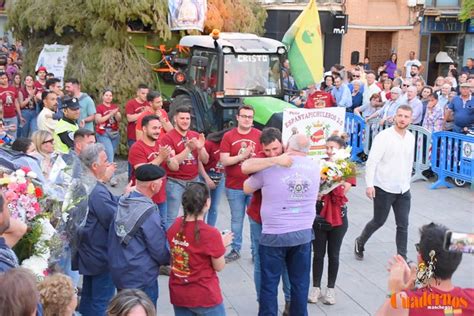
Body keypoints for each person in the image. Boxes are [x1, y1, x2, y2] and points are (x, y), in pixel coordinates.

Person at [243, 134, 320, 316]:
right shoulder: (315, 167)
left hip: (274, 234)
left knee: (269, 283)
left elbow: (247, 187)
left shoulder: (271, 168)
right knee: (300, 283)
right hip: (303, 233)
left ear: (286, 145)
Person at [241, 127, 292, 314]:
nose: (272, 152)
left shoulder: (290, 154)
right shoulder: (263, 158)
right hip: (259, 218)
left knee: (288, 262)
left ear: (283, 144)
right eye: (268, 150)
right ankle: (264, 302)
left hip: (286, 219)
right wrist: (274, 160)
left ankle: (289, 302)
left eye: (276, 149)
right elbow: (245, 167)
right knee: (261, 262)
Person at [355, 105, 415, 261]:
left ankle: (402, 258)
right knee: (379, 221)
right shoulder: (384, 136)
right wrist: (369, 185)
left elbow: (409, 162)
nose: (402, 119)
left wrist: (407, 182)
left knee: (403, 225)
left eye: (406, 116)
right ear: (394, 117)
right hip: (383, 188)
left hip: (403, 190)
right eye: (400, 115)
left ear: (411, 119)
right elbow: (372, 162)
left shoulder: (410, 137)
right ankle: (360, 241)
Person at [376, 223, 474, 315]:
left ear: (420, 258)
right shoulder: (471, 299)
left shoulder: (404, 302)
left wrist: (394, 292)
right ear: (458, 261)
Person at [108, 164, 170, 305]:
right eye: (161, 181)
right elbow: (158, 247)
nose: (162, 184)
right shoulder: (148, 211)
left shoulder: (123, 200)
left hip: (120, 272)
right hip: (140, 276)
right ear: (153, 186)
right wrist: (169, 259)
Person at [167, 182, 233, 315]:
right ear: (207, 203)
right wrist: (221, 244)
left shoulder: (175, 224)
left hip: (179, 293)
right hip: (204, 295)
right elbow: (219, 266)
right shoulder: (210, 233)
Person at [309, 135, 355, 305]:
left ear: (341, 150)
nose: (328, 151)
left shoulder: (347, 166)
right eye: (326, 148)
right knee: (318, 254)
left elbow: (344, 189)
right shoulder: (319, 164)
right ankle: (315, 288)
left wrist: (334, 181)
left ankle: (331, 289)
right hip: (320, 216)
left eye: (332, 148)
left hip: (338, 217)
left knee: (334, 255)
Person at [77, 143, 120, 315]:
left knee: (89, 298)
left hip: (89, 251)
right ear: (95, 166)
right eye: (105, 161)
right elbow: (113, 218)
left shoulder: (84, 182)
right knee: (102, 303)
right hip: (100, 254)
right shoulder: (97, 191)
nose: (109, 164)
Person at [220, 105, 261, 263]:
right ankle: (235, 249)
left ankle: (256, 252)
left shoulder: (259, 135)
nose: (247, 119)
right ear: (237, 117)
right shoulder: (228, 136)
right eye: (244, 116)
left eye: (250, 117)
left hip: (254, 185)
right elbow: (224, 160)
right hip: (234, 185)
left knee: (254, 220)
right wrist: (241, 157)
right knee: (236, 220)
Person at [161, 106, 208, 228]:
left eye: (187, 118)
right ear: (175, 119)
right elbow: (173, 164)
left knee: (195, 216)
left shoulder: (195, 135)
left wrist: (201, 147)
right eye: (182, 118)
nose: (185, 121)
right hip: (175, 182)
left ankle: (191, 242)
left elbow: (205, 160)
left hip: (194, 181)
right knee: (172, 217)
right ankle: (169, 245)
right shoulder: (168, 137)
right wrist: (188, 149)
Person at [129, 115, 179, 228]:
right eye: (154, 128)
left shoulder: (161, 145)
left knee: (162, 228)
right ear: (144, 129)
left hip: (161, 197)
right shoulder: (137, 148)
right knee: (143, 230)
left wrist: (169, 159)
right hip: (142, 199)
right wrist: (160, 157)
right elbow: (141, 171)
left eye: (159, 128)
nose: (157, 131)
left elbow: (175, 167)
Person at [199, 129, 227, 227]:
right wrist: (206, 178)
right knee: (203, 205)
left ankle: (210, 229)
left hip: (220, 176)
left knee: (214, 206)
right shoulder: (210, 144)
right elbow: (199, 162)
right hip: (206, 175)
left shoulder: (230, 147)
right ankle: (201, 228)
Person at [95, 89, 121, 186]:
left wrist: (116, 114)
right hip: (103, 133)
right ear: (103, 96)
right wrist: (110, 114)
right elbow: (98, 120)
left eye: (110, 95)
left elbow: (119, 119)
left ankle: (104, 174)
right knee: (109, 154)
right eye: (106, 95)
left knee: (111, 155)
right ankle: (112, 177)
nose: (108, 97)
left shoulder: (114, 107)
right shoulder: (100, 108)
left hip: (114, 133)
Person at [0, 71, 23, 140]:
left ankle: (12, 149)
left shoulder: (12, 88)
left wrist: (20, 115)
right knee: (3, 137)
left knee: (13, 135)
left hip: (12, 116)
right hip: (2, 117)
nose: (4, 80)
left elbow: (16, 102)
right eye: (2, 78)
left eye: (5, 78)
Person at [125, 83, 149, 150]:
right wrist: (144, 112)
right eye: (143, 93)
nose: (145, 95)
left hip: (146, 136)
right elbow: (129, 118)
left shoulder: (148, 104)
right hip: (133, 137)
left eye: (147, 94)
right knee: (134, 157)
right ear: (138, 93)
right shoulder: (131, 103)